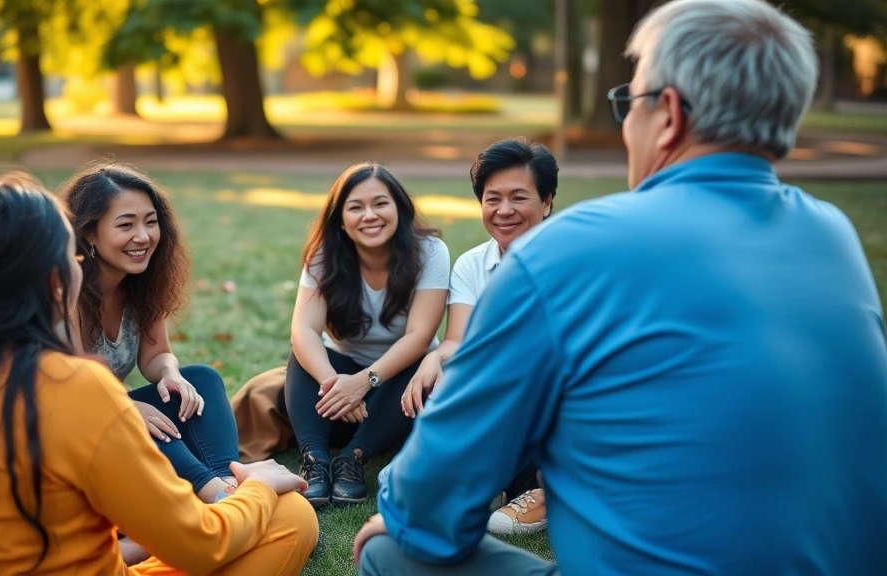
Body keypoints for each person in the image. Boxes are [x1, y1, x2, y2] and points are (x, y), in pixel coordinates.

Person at [354, 0, 887, 574]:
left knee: (388, 548)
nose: (626, 122)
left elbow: (436, 489)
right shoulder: (834, 234)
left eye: (628, 102)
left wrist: (404, 517)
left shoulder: (565, 250)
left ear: (670, 115)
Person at [0, 174, 318, 575]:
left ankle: (188, 506)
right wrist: (256, 489)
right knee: (293, 517)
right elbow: (203, 545)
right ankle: (215, 494)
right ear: (56, 275)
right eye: (72, 256)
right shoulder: (73, 382)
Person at [382, 137, 559, 535]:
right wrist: (433, 358)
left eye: (519, 197)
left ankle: (536, 489)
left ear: (546, 201)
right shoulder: (471, 265)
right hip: (494, 394)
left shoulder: (569, 260)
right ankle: (483, 479)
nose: (504, 210)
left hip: (546, 393)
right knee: (439, 378)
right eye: (492, 198)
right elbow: (456, 342)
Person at [60, 163, 242, 506]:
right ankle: (214, 494)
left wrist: (171, 374)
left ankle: (227, 478)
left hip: (109, 408)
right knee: (142, 420)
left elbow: (155, 356)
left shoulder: (140, 286)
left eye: (151, 221)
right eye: (126, 225)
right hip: (69, 422)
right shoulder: (67, 293)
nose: (143, 236)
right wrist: (125, 407)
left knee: (200, 379)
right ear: (89, 234)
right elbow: (68, 387)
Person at [287, 162, 449, 507]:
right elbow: (303, 329)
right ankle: (314, 462)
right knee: (303, 355)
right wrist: (335, 384)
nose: (369, 215)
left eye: (380, 203)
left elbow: (421, 336)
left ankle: (353, 459)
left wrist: (364, 381)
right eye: (355, 207)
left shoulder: (430, 252)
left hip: (398, 391)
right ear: (341, 220)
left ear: (399, 208)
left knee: (420, 362)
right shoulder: (323, 255)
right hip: (340, 382)